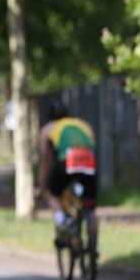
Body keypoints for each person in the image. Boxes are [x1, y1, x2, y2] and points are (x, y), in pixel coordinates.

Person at [35, 100, 99, 246]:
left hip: (66, 161)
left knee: (53, 195)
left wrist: (41, 188)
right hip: (88, 162)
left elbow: (45, 161)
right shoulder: (83, 124)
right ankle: (93, 239)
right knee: (90, 204)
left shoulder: (48, 129)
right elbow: (92, 147)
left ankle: (61, 222)